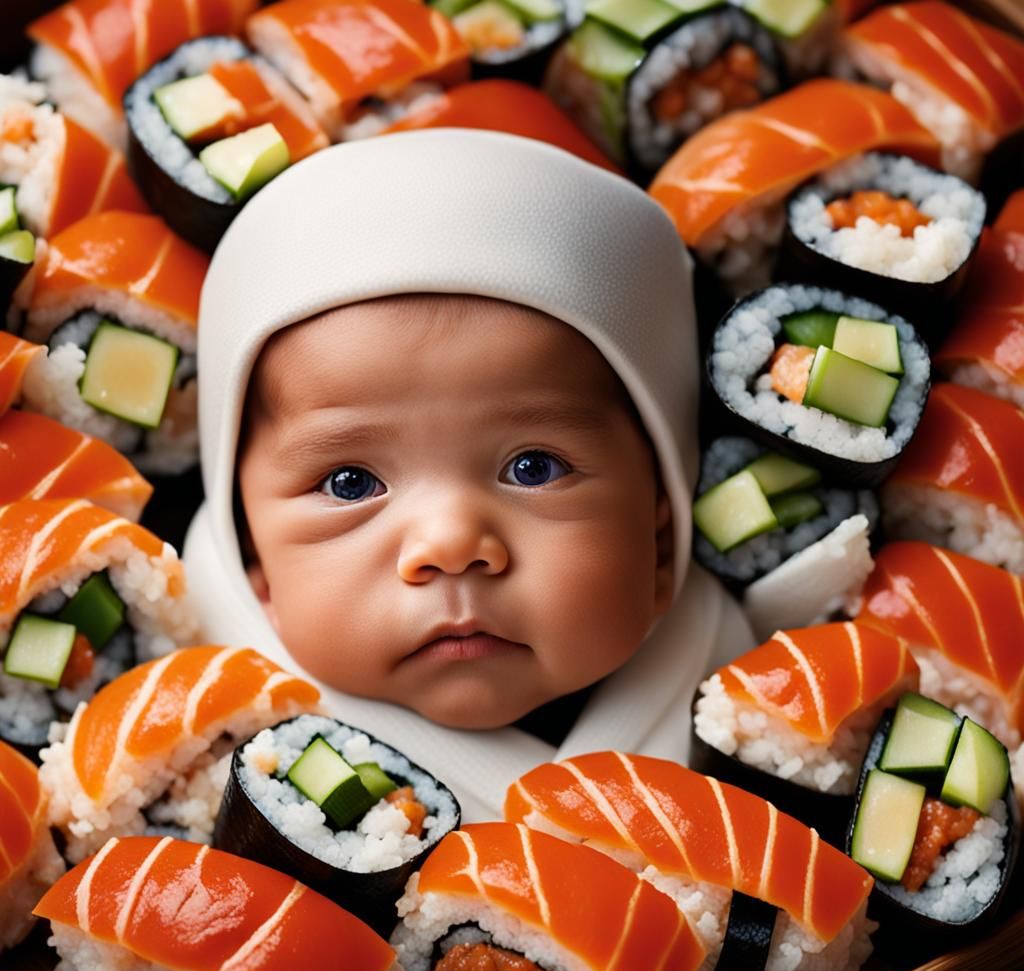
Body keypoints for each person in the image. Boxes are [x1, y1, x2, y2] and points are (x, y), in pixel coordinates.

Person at [183, 129, 753, 820]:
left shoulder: (752, 710)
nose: (451, 545)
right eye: (351, 484)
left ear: (662, 525)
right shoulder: (194, 757)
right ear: (252, 556)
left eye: (532, 468)